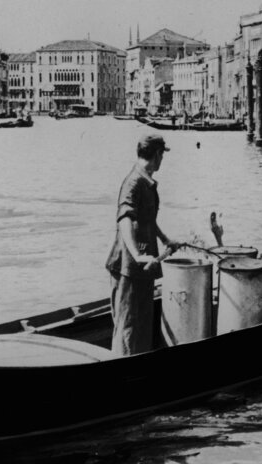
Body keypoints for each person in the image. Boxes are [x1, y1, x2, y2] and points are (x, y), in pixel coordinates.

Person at [105, 133, 180, 356]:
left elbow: (147, 220)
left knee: (143, 328)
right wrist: (137, 255)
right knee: (128, 329)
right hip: (128, 268)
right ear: (157, 155)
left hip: (145, 268)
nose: (162, 161)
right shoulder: (133, 182)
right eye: (162, 156)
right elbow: (124, 219)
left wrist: (166, 240)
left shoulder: (147, 182)